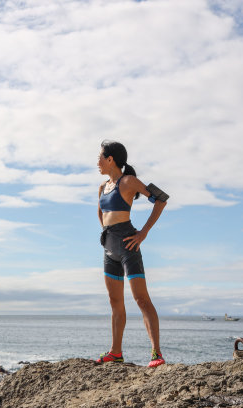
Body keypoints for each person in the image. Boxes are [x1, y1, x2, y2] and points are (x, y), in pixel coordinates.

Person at [96, 140, 168, 367]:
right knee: (114, 300)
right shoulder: (102, 187)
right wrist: (107, 234)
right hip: (109, 248)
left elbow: (161, 200)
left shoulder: (128, 181)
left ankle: (156, 354)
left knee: (141, 299)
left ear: (110, 159)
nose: (97, 162)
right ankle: (115, 352)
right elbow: (101, 213)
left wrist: (143, 233)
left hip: (128, 246)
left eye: (100, 157)